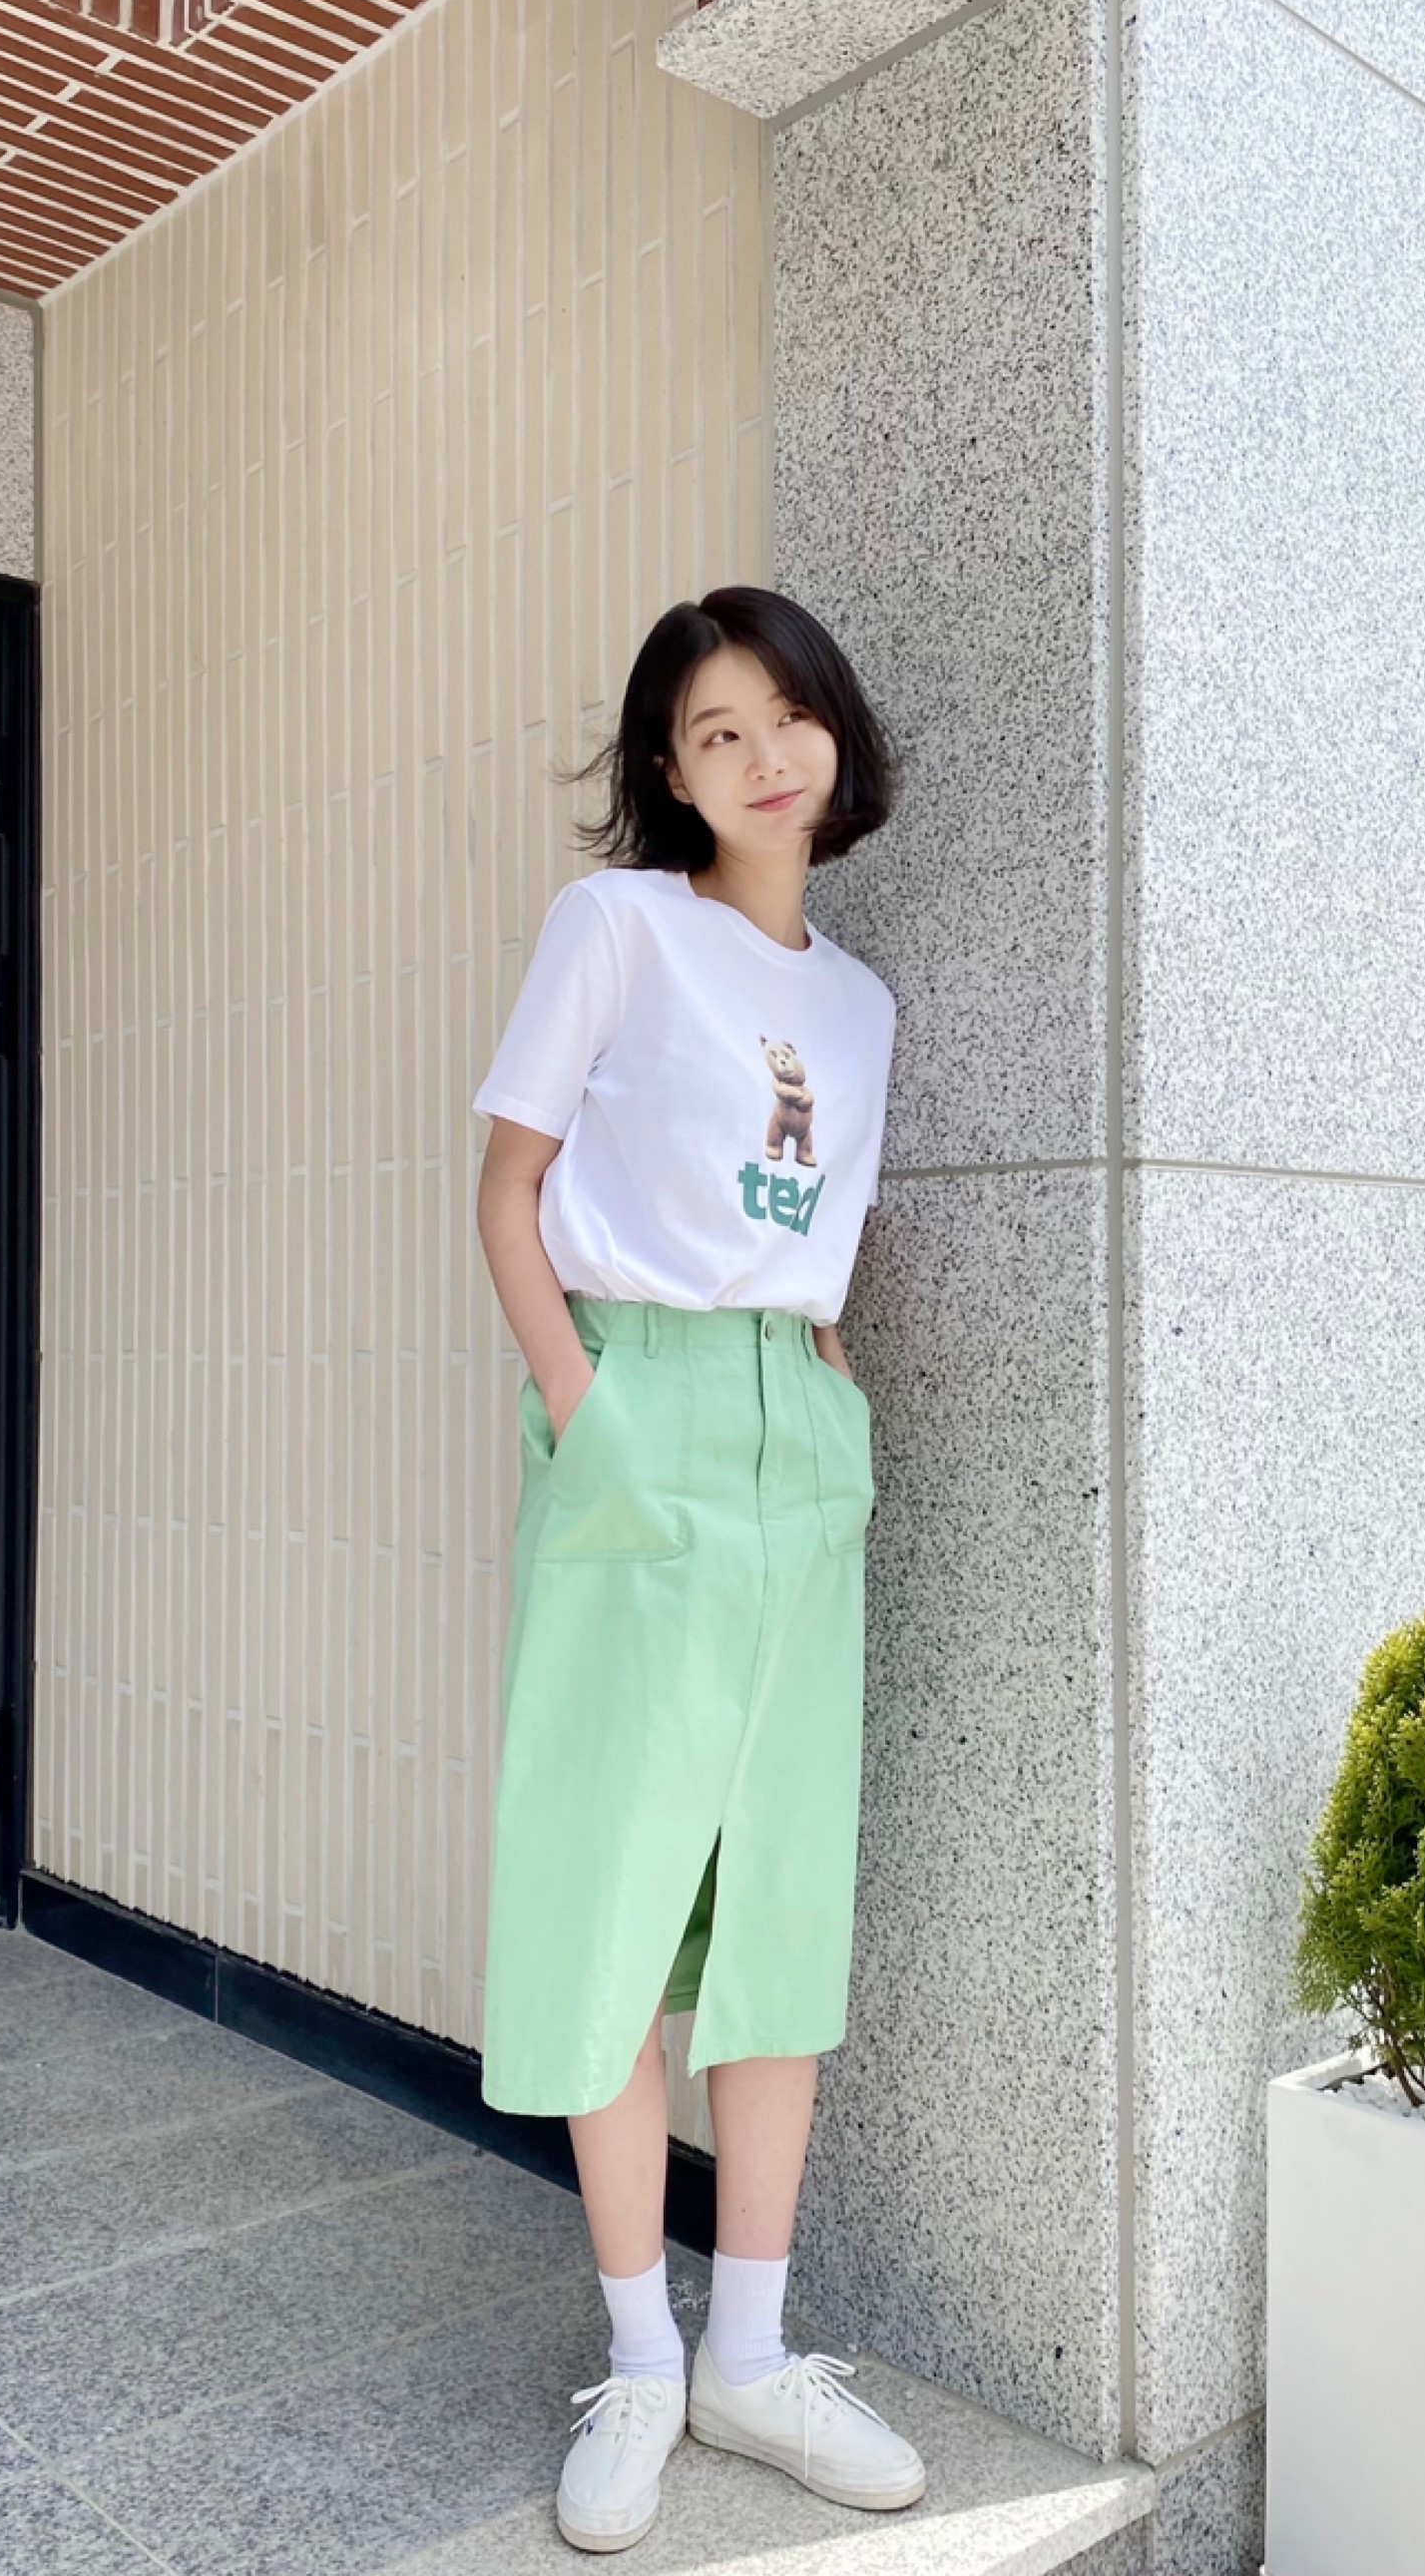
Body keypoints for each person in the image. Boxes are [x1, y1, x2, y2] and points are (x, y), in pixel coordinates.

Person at [471, 584, 926, 2553]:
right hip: (639, 1400)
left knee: (780, 1902)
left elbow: (818, 1237)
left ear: (834, 736)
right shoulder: (617, 928)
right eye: (715, 731)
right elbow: (507, 1188)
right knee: (613, 1884)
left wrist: (824, 1393)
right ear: (671, 768)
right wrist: (588, 1407)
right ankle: (641, 2356)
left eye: (785, 717)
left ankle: (752, 2348)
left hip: (793, 1434)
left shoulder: (863, 1005)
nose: (760, 756)